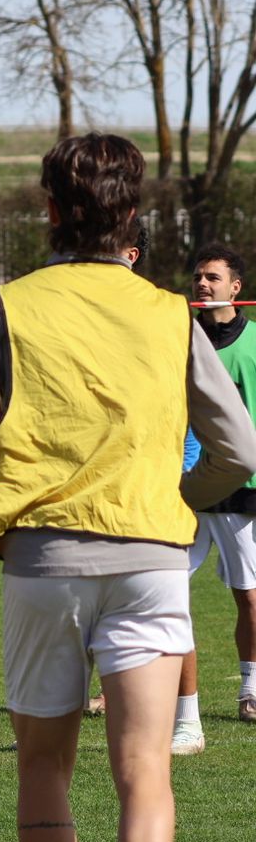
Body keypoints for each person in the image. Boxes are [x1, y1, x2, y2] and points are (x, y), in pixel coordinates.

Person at [0, 134, 256, 842]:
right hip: (151, 562)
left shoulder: (4, 306)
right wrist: (175, 498)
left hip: (42, 563)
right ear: (131, 214)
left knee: (43, 766)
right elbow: (241, 445)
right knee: (145, 770)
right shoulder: (172, 314)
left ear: (51, 210)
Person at [182, 245, 256, 728]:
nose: (202, 284)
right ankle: (127, 688)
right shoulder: (179, 339)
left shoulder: (252, 344)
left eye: (213, 277)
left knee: (248, 596)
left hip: (241, 491)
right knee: (153, 592)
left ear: (236, 287)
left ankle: (250, 689)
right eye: (197, 278)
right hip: (182, 490)